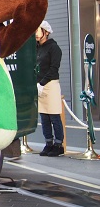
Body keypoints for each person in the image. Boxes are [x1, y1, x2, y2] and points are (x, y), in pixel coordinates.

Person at [35, 20, 65, 157]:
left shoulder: (54, 48)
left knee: (54, 116)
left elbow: (54, 69)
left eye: (38, 30)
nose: (35, 33)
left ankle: (58, 145)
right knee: (44, 117)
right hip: (39, 84)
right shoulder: (36, 48)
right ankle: (48, 143)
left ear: (46, 32)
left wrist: (42, 83)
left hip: (51, 84)